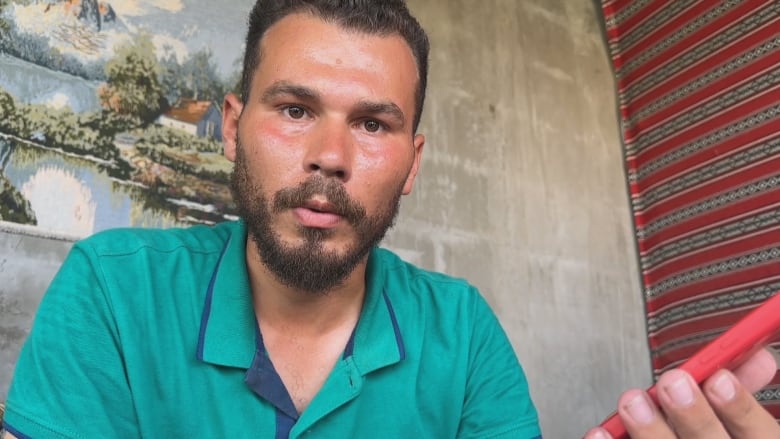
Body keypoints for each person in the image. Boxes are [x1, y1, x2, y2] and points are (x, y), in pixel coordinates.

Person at [1, 1, 777, 438]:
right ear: (232, 126)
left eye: (374, 124)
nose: (331, 155)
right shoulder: (110, 290)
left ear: (412, 161)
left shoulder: (462, 331)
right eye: (296, 108)